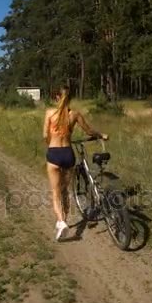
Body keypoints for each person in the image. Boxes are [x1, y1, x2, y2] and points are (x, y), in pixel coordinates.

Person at [43, 86, 108, 241]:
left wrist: (51, 143)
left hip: (53, 154)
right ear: (70, 98)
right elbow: (89, 131)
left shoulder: (49, 113)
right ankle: (64, 220)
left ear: (57, 97)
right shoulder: (74, 114)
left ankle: (61, 221)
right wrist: (101, 135)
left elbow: (45, 134)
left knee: (55, 192)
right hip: (68, 154)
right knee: (65, 191)